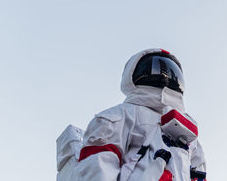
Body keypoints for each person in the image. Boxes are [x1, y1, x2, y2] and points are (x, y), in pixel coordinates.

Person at [73, 48, 207, 181]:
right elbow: (99, 164)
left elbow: (199, 171)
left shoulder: (189, 133)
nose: (163, 77)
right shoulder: (123, 114)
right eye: (154, 69)